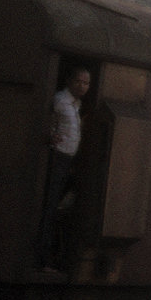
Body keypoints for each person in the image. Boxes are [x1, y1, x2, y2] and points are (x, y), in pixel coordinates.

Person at [36, 67, 91, 272]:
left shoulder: (76, 104)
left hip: (67, 160)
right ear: (69, 80)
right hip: (57, 157)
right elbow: (46, 122)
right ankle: (41, 258)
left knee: (58, 206)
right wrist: (49, 137)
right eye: (78, 81)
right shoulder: (60, 101)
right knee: (49, 206)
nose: (82, 86)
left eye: (86, 83)